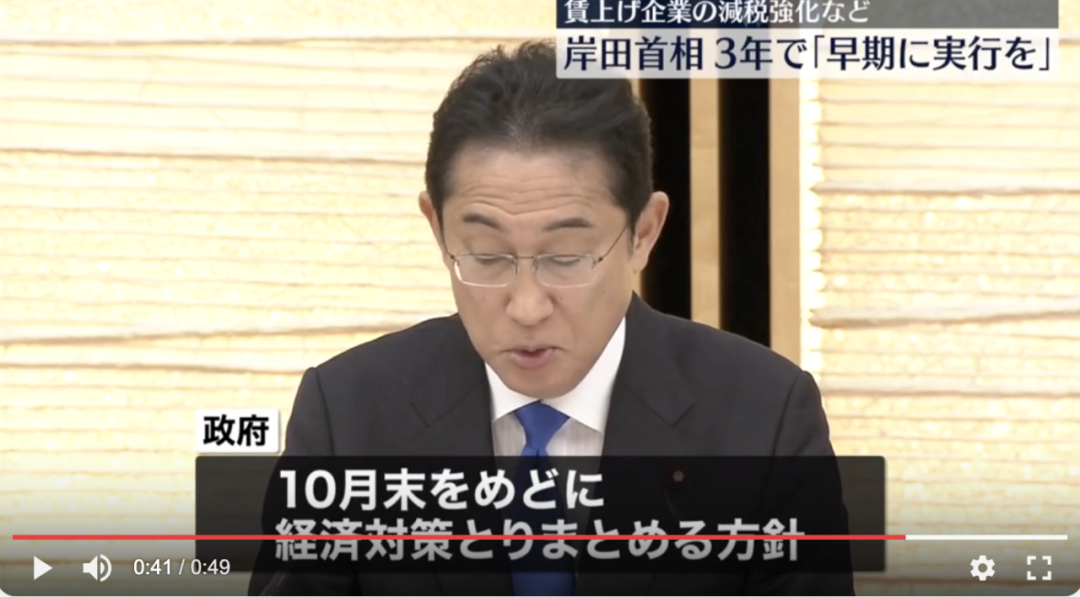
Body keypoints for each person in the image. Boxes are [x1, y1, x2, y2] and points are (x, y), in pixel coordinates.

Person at [248, 40, 854, 596]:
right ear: (437, 227)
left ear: (644, 233)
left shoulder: (766, 419)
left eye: (566, 258)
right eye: (486, 256)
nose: (527, 306)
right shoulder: (347, 416)